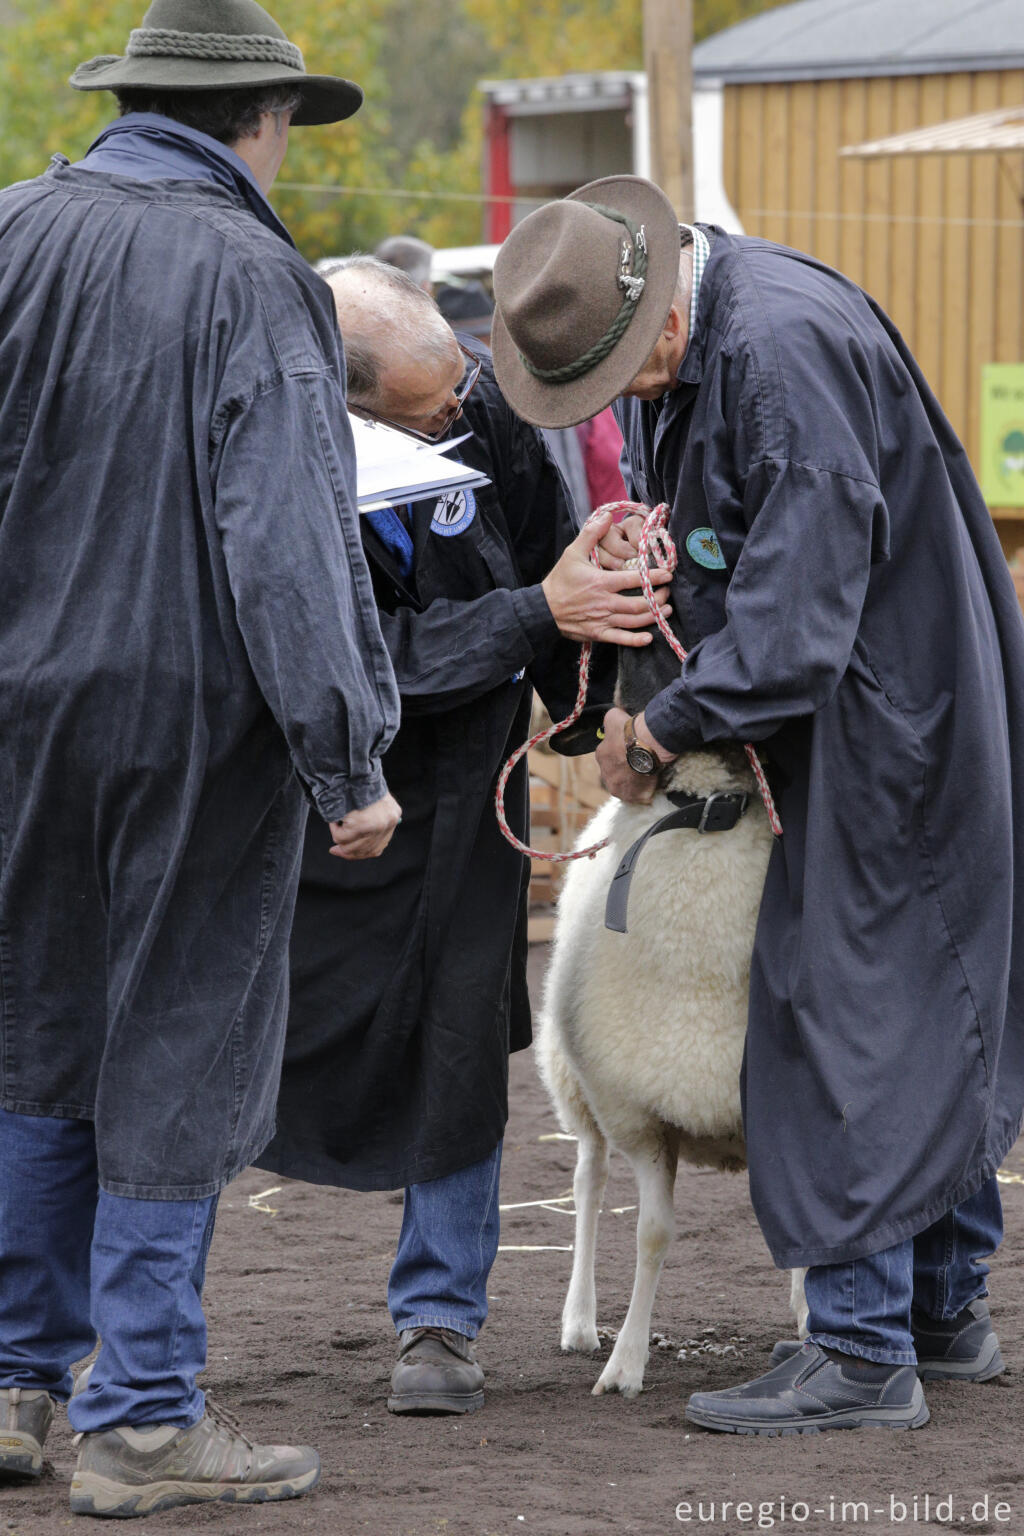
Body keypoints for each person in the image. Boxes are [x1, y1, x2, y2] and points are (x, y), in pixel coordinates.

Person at [490, 175, 1024, 1435]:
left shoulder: (776, 355)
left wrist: (657, 728)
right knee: (923, 995)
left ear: (654, 329)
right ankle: (944, 1314)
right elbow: (746, 560)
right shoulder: (726, 337)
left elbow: (795, 617)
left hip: (887, 733)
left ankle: (856, 1350)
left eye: (612, 378)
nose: (615, 403)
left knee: (840, 1005)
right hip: (895, 719)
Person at [0, 0, 402, 1517]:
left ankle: (20, 1384)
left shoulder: (13, 232)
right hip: (191, 719)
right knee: (175, 1038)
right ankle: (149, 1414)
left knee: (34, 1033)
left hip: (19, 710)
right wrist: (346, 754)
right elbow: (287, 542)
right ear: (265, 118)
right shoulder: (256, 272)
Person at [256, 255, 671, 1414]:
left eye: (462, 375)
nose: (464, 402)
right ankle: (155, 1329)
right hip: (317, 807)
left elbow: (544, 546)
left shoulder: (474, 396)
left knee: (454, 1048)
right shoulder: (273, 445)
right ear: (349, 396)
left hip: (461, 801)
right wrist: (540, 609)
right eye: (432, 398)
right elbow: (347, 658)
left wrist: (592, 696)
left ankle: (439, 1318)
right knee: (236, 1047)